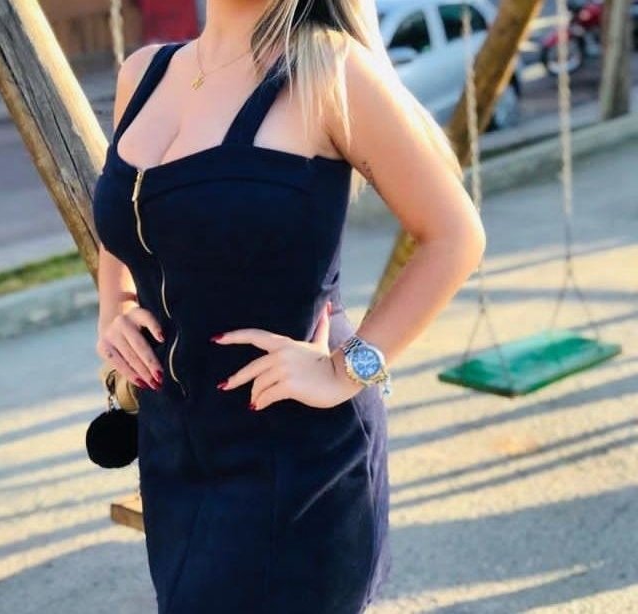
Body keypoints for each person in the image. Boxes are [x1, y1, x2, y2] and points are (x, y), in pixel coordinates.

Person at [92, 0, 486, 612]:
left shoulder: (329, 70)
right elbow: (124, 209)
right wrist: (113, 306)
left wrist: (346, 370)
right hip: (175, 453)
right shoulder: (143, 74)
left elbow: (454, 236)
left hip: (298, 464)